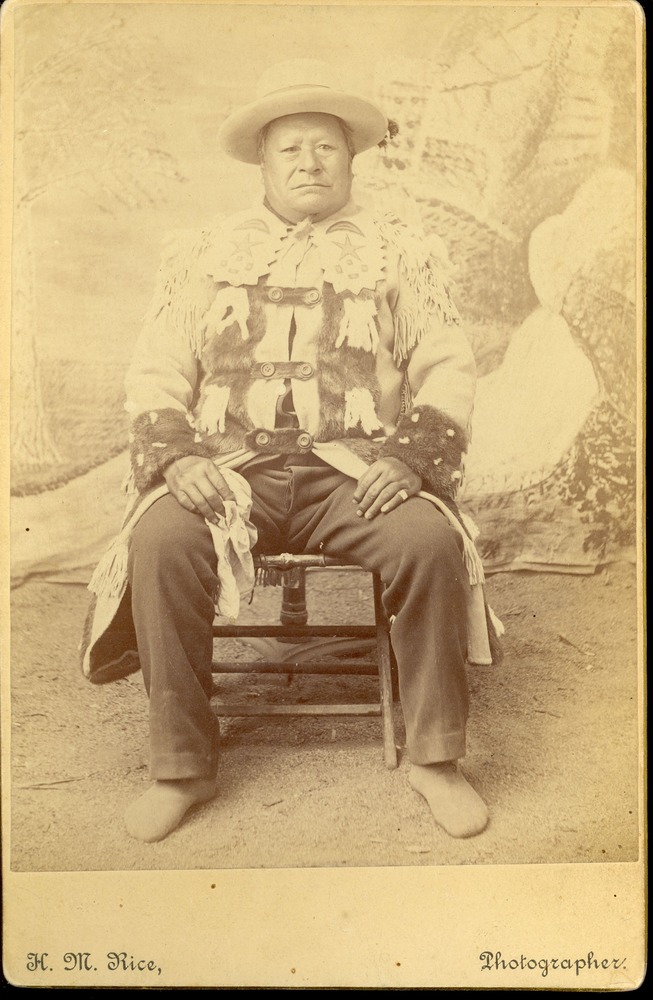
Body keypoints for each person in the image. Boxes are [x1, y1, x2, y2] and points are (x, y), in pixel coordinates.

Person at [81, 59, 502, 844]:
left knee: (427, 541)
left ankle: (435, 758)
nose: (309, 163)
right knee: (161, 540)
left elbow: (447, 366)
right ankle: (182, 766)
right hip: (230, 472)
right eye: (291, 150)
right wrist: (179, 459)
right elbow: (156, 369)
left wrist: (409, 460)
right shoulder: (204, 253)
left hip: (353, 474)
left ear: (352, 159)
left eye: (325, 147)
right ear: (263, 163)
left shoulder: (400, 252)